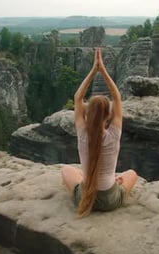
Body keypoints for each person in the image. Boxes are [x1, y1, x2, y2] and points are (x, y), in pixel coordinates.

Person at [61, 48, 138, 217]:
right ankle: (113, 181)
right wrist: (102, 70)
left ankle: (90, 180)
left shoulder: (82, 133)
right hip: (110, 199)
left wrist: (92, 71)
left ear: (88, 113)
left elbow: (77, 98)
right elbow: (117, 98)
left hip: (85, 196)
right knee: (131, 174)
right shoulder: (114, 134)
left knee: (66, 170)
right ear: (108, 115)